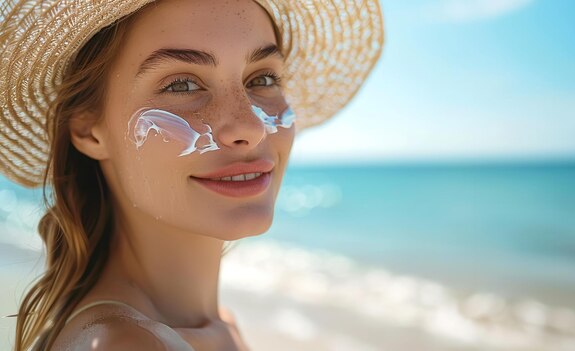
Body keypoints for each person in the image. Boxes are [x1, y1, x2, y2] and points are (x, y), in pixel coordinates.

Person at [0, 0, 384, 349]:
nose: (250, 127)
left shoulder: (214, 328)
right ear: (88, 130)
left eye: (262, 79)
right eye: (182, 85)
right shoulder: (123, 344)